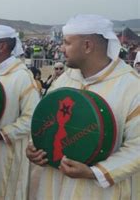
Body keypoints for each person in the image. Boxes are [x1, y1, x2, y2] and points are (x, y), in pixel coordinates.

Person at [27, 14, 140, 200]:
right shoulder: (64, 79)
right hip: (54, 186)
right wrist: (34, 147)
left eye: (67, 43)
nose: (61, 48)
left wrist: (94, 172)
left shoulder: (131, 87)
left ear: (87, 46)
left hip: (100, 192)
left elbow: (137, 148)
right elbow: (44, 118)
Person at [0, 24, 40, 200]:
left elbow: (32, 118)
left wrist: (0, 134)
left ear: (2, 46)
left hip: (5, 154)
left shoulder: (22, 77)